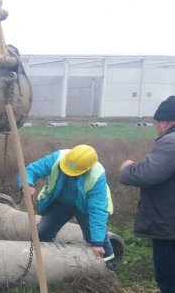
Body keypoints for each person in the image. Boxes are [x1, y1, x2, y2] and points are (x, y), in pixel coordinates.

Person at [18, 144, 117, 271]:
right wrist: (26, 184)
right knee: (42, 231)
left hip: (85, 206)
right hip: (61, 202)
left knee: (98, 238)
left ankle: (110, 265)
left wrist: (97, 243)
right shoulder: (58, 158)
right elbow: (31, 170)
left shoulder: (96, 175)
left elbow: (97, 210)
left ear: (86, 170)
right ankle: (41, 264)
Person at [120, 95, 175, 292]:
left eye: (157, 123)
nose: (156, 128)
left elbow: (149, 173)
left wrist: (129, 167)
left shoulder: (171, 141)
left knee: (168, 279)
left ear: (167, 122)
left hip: (169, 227)